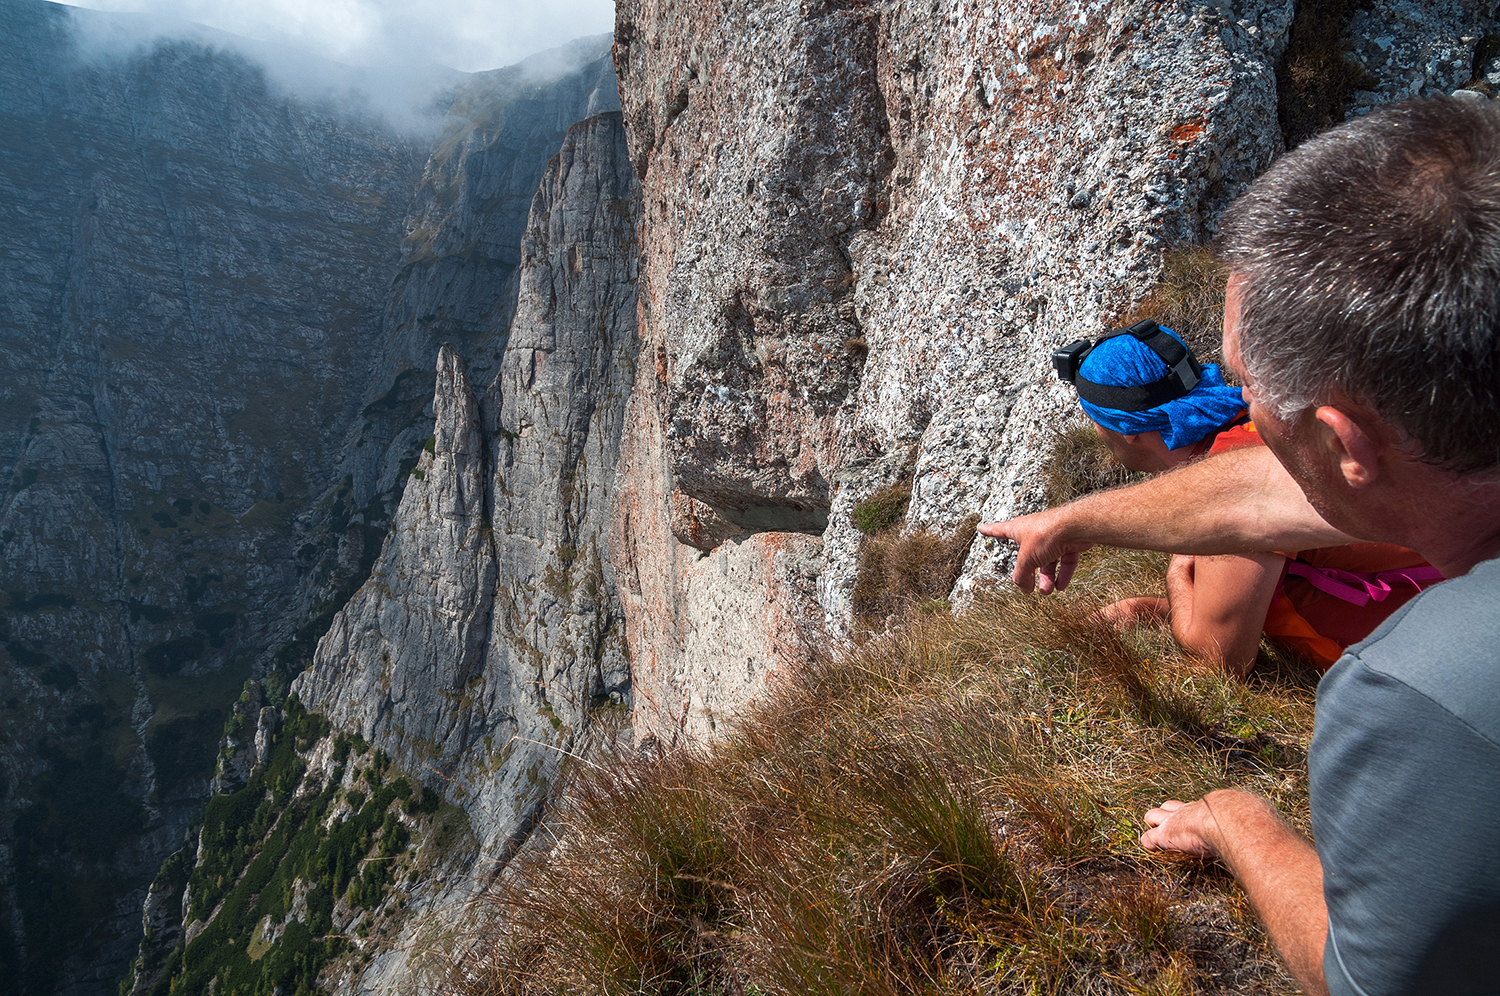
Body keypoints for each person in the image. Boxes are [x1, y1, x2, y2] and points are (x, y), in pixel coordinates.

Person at [981, 96, 1500, 994]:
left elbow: (1220, 650)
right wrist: (1082, 521)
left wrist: (1235, 822)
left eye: (1251, 383)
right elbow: (1264, 498)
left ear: (1343, 446)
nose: (1241, 403)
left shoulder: (1428, 693)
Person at [1055, 322, 1442, 675]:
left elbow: (1221, 658)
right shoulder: (1257, 428)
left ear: (1126, 431)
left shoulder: (1220, 489)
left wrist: (1177, 576)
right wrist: (1148, 610)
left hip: (1424, 670)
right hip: (1448, 608)